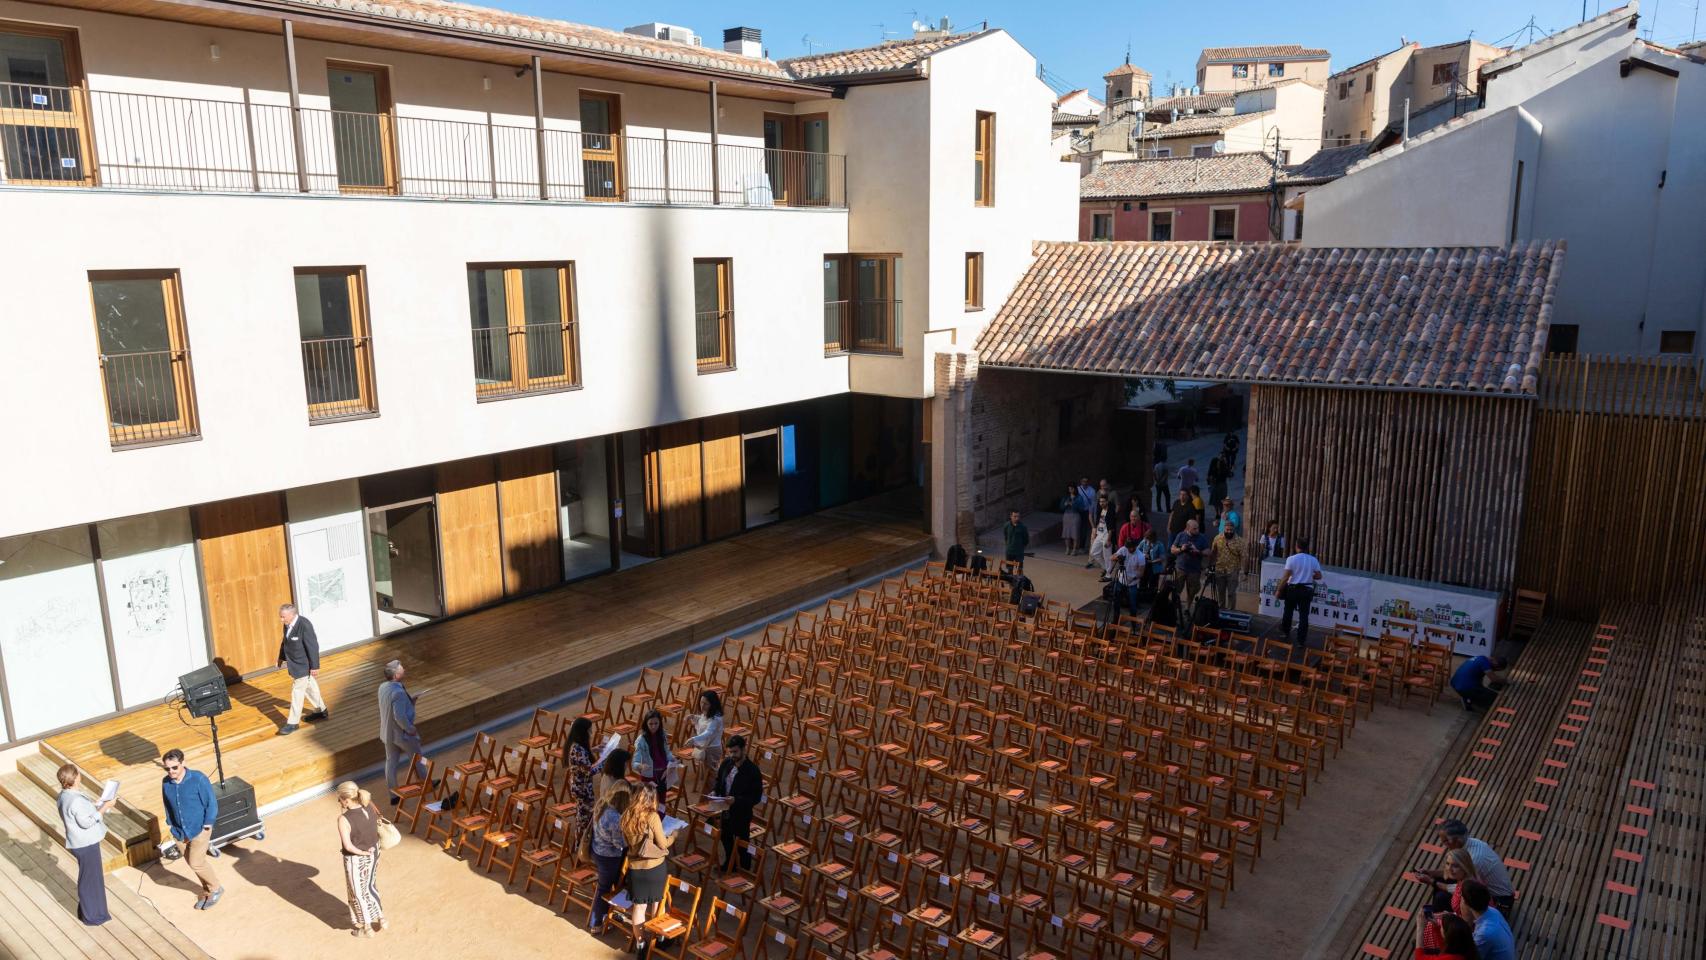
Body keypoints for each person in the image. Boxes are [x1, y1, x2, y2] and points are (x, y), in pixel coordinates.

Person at [160, 748, 222, 909]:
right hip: (179, 831)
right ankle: (208, 890)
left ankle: (216, 888)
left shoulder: (198, 778)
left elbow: (211, 803)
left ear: (183, 763)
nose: (171, 771)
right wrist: (170, 823)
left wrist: (208, 824)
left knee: (196, 863)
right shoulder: (165, 782)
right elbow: (167, 804)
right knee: (193, 863)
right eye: (167, 768)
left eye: (174, 767)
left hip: (199, 829)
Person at [619, 786, 676, 955]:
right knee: (658, 903)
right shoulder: (652, 817)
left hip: (636, 868)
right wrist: (674, 836)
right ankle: (659, 939)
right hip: (655, 867)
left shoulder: (626, 816)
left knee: (639, 907)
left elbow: (625, 841)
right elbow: (663, 844)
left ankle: (641, 943)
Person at [56, 763, 112, 926]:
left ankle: (90, 912)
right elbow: (86, 823)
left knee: (90, 877)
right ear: (75, 778)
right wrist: (105, 808)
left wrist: (94, 805)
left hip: (79, 842)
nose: (80, 775)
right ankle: (92, 915)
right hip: (86, 843)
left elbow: (76, 812)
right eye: (78, 773)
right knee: (90, 879)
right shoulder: (74, 800)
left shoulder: (64, 795)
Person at [334, 781, 386, 938]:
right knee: (370, 885)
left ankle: (367, 928)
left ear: (347, 800)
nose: (339, 802)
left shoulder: (343, 819)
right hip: (374, 852)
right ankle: (381, 917)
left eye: (340, 799)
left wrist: (362, 853)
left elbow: (349, 847)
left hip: (357, 858)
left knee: (357, 892)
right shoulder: (369, 805)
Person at [1430, 820, 1515, 914]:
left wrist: (1433, 882)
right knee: (1440, 879)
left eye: (1446, 841)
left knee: (1441, 898)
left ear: (1457, 840)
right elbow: (1452, 873)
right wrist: (1430, 873)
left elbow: (1464, 888)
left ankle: (1443, 920)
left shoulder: (1474, 860)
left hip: (1499, 902)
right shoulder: (1472, 842)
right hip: (1481, 885)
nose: (1444, 845)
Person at [709, 735, 763, 872]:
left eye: (735, 752)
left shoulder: (753, 771)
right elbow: (718, 780)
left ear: (743, 750)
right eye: (730, 752)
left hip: (741, 813)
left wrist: (736, 800)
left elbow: (756, 797)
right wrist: (715, 791)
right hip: (724, 809)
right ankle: (729, 863)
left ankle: (744, 868)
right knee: (725, 838)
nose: (732, 755)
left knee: (742, 842)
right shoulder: (726, 763)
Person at [377, 659, 429, 802]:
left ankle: (393, 795)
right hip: (402, 734)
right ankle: (426, 783)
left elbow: (392, 708)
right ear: (396, 675)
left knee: (391, 763)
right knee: (417, 758)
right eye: (401, 669)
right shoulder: (399, 693)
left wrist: (411, 702)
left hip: (387, 734)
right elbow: (399, 716)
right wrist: (410, 728)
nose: (404, 670)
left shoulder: (382, 687)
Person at [277, 602, 327, 736]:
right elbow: (285, 642)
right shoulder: (287, 624)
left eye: (283, 617)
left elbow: (312, 646)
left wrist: (315, 666)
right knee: (310, 687)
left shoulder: (304, 625)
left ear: (292, 615)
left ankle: (292, 723)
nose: (281, 619)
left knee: (297, 691)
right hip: (295, 664)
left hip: (303, 665)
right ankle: (321, 710)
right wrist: (281, 657)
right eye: (280, 617)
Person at [586, 782, 630, 935]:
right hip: (609, 857)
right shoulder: (615, 817)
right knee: (604, 888)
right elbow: (620, 843)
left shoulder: (602, 804)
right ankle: (597, 922)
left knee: (604, 887)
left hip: (597, 851)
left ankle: (606, 915)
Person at [1274, 538, 1324, 647]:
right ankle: (1301, 640)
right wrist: (1310, 576)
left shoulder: (1291, 559)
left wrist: (1279, 590)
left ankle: (1285, 632)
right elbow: (1319, 576)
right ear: (1307, 547)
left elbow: (1286, 577)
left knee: (1288, 612)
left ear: (1296, 546)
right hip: (1307, 589)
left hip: (1293, 588)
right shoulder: (1313, 559)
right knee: (1304, 616)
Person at [1459, 879, 1515, 960]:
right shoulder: (1493, 911)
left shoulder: (1484, 933)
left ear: (1465, 903)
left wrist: (1465, 921)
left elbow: (1469, 956)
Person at [631, 708, 676, 802]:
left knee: (662, 801)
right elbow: (635, 763)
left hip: (663, 773)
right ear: (646, 724)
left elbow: (666, 751)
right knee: (649, 803)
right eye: (650, 724)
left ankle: (661, 816)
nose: (653, 726)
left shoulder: (662, 733)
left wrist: (672, 760)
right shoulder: (641, 741)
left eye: (656, 723)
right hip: (649, 775)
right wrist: (640, 766)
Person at [564, 717, 596, 843]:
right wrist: (605, 761)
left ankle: (580, 844)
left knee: (582, 816)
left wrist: (595, 749)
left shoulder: (576, 746)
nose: (590, 734)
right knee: (584, 819)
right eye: (589, 731)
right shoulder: (578, 749)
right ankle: (581, 845)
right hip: (582, 789)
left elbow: (583, 757)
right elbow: (590, 770)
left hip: (579, 787)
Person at [684, 692, 725, 777]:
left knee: (710, 776)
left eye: (705, 704)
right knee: (706, 775)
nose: (702, 706)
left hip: (711, 749)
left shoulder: (716, 718)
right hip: (706, 747)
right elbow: (702, 719)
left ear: (712, 704)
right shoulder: (708, 712)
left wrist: (693, 739)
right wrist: (693, 716)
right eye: (701, 702)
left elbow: (708, 732)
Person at [1170, 519, 1210, 607]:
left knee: (1192, 591)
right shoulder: (1181, 535)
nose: (1197, 530)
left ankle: (1188, 608)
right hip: (1181, 568)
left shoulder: (1201, 537)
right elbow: (1172, 550)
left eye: (1198, 528)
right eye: (1194, 529)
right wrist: (1181, 549)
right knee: (1176, 589)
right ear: (1188, 528)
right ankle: (1175, 607)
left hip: (1194, 570)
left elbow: (1208, 552)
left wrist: (1198, 551)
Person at [1209, 520, 1246, 611]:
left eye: (1231, 530)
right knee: (1221, 592)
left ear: (1234, 530)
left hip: (1232, 570)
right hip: (1219, 570)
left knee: (1231, 593)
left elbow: (1244, 557)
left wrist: (1245, 572)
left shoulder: (1240, 541)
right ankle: (1221, 611)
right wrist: (1210, 566)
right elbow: (1213, 552)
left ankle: (1231, 611)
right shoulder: (1217, 538)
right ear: (1224, 529)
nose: (1229, 531)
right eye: (1227, 529)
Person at [1413, 910, 1480, 960]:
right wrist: (1436, 927)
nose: (1440, 926)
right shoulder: (1465, 945)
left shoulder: (1451, 958)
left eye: (1441, 926)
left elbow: (1419, 958)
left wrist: (1420, 928)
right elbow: (1445, 948)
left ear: (1447, 936)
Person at [1110, 537, 1147, 620]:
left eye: (1131, 547)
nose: (1129, 549)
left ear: (1135, 546)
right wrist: (1117, 557)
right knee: (1116, 601)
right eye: (1128, 547)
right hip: (1120, 580)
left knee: (1133, 604)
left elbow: (1141, 573)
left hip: (1132, 583)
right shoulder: (1123, 549)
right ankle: (1115, 619)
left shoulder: (1140, 556)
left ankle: (1133, 622)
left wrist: (1133, 577)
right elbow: (1111, 557)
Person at [1087, 495, 1116, 580]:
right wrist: (1096, 532)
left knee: (1107, 556)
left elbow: (1111, 527)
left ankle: (1108, 575)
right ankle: (1106, 568)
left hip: (1107, 535)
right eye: (1100, 501)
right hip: (1100, 534)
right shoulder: (1100, 509)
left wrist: (1109, 539)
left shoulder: (1110, 511)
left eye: (1103, 501)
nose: (1101, 503)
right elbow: (1099, 522)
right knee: (1093, 552)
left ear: (1107, 502)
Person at [1058, 483, 1084, 556]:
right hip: (1067, 516)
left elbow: (1082, 508)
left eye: (1072, 488)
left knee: (1075, 533)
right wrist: (1065, 504)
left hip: (1075, 515)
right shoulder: (1066, 497)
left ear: (1075, 489)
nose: (1070, 490)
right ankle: (1067, 548)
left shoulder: (1079, 497)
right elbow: (1061, 507)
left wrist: (1074, 505)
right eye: (1069, 489)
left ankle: (1075, 549)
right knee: (1066, 533)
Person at [1140, 527, 1168, 593]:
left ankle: (1151, 598)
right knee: (1143, 582)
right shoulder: (1144, 541)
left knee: (1153, 584)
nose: (1147, 541)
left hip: (1154, 567)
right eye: (1147, 538)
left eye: (1149, 539)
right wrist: (1143, 555)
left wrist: (1152, 561)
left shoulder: (1159, 545)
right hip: (1144, 566)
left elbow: (1162, 558)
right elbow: (1137, 550)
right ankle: (1142, 597)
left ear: (1153, 538)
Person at [1206, 456, 1229, 524]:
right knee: (1215, 500)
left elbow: (1228, 474)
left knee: (1221, 499)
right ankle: (1218, 513)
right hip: (1215, 484)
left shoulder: (1224, 467)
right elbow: (1209, 474)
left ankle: (1221, 512)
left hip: (1220, 484)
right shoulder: (1214, 464)